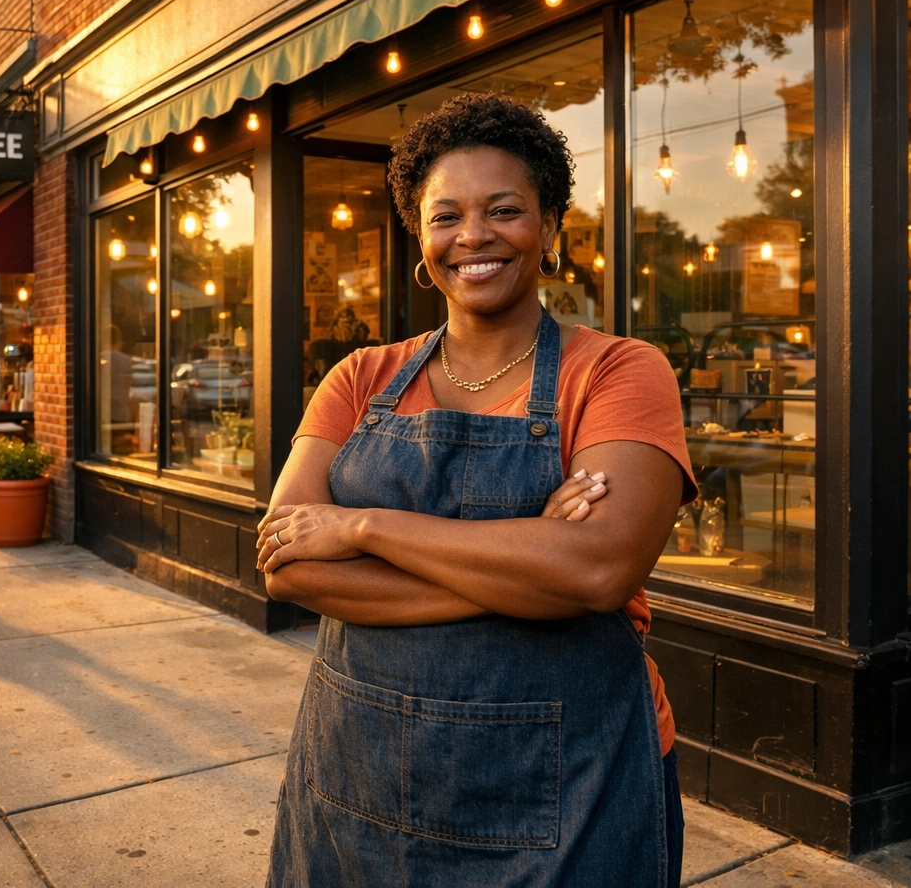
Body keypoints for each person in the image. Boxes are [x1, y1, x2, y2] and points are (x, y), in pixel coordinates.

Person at [256, 93, 696, 887]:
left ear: (551, 228)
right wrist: (530, 563)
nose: (474, 236)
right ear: (421, 243)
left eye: (504, 210)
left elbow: (598, 570)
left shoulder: (621, 372)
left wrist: (362, 529)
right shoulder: (359, 378)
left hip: (574, 784)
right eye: (445, 216)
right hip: (358, 779)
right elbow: (288, 566)